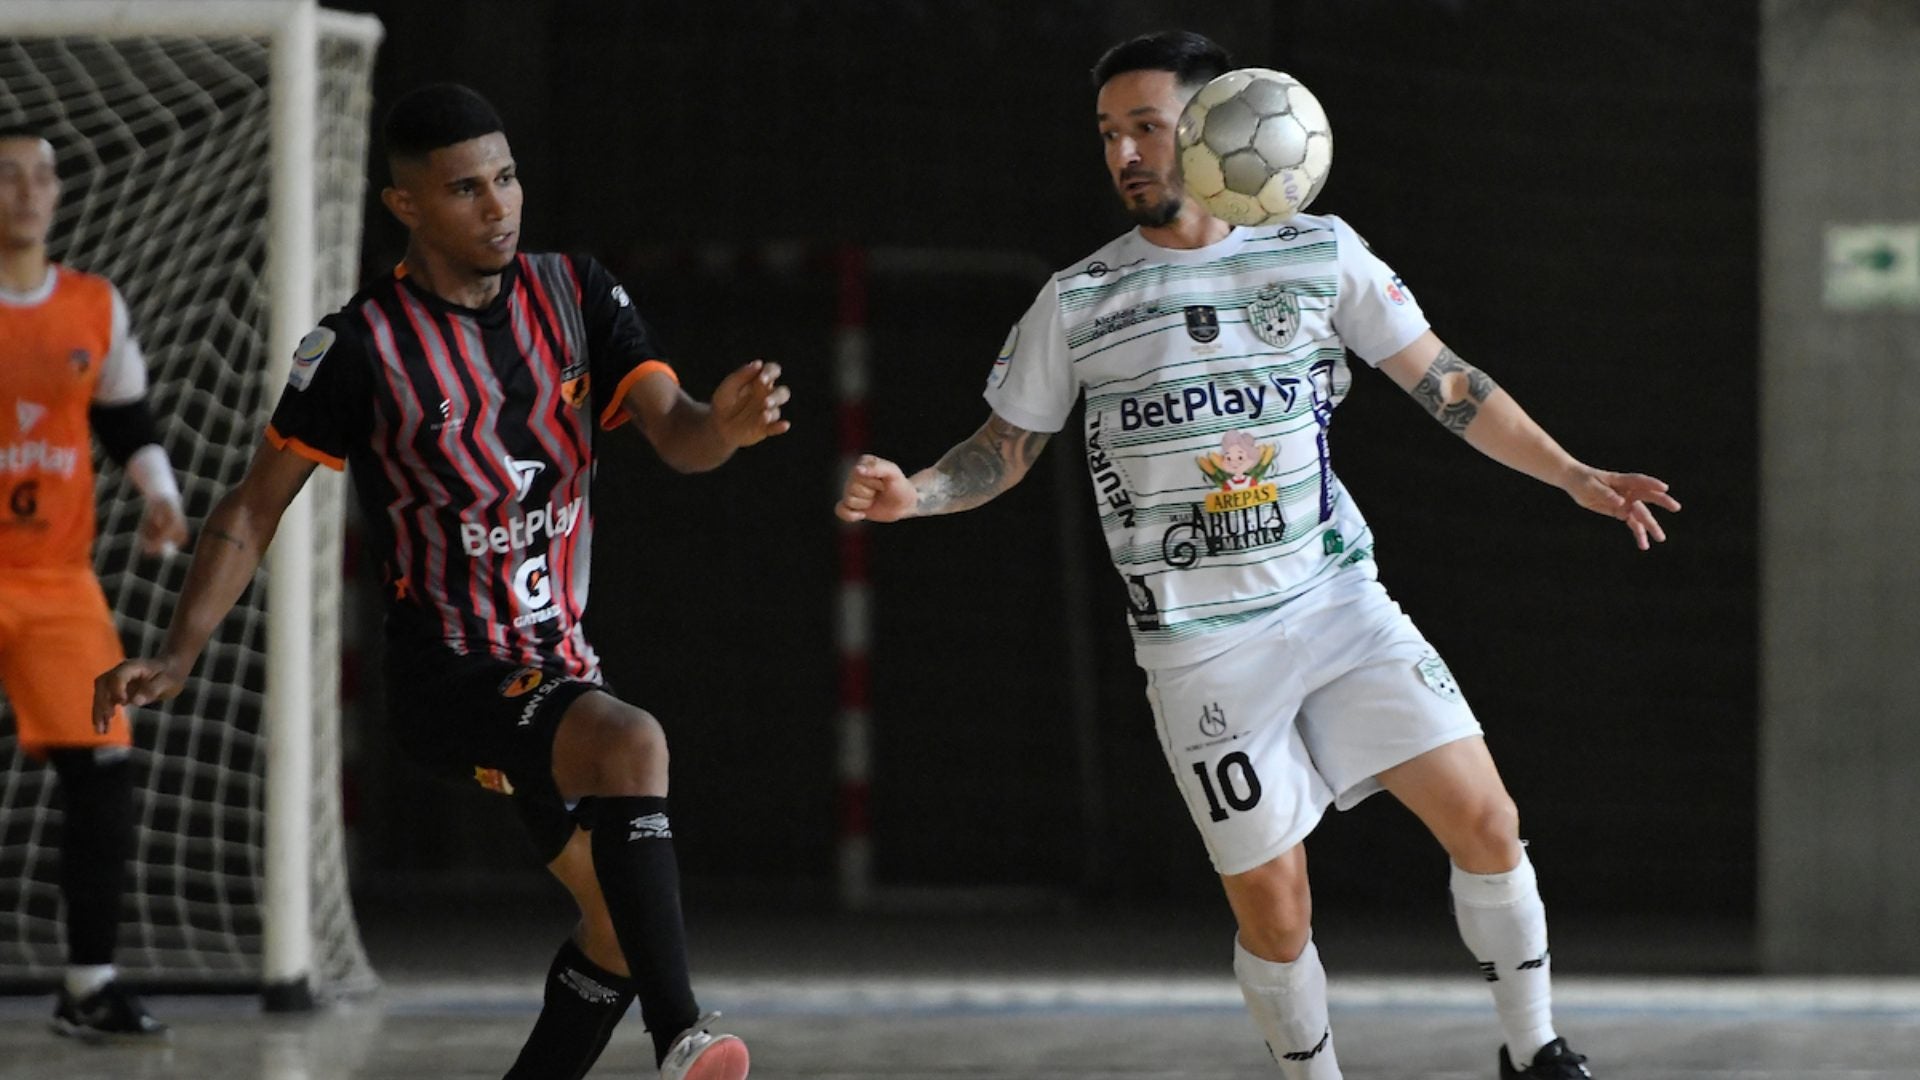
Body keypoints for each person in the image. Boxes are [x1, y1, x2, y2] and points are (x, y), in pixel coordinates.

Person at [835, 30, 1678, 1080]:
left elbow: (1448, 383)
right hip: (1202, 654)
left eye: (1147, 127)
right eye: (1108, 134)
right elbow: (1005, 447)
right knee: (1278, 915)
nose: (1125, 154)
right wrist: (914, 494)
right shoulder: (1081, 300)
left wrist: (1572, 473)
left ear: (1216, 128)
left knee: (1488, 818)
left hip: (1338, 605)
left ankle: (1534, 1050)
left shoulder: (1317, 252)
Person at [94, 85, 780, 1080]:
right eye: (465, 188)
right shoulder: (360, 346)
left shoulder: (575, 294)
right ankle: (680, 1037)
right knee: (635, 743)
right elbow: (251, 510)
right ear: (405, 206)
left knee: (616, 928)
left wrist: (724, 425)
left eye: (505, 177)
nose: (498, 204)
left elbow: (678, 432)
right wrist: (179, 651)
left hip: (559, 668)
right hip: (451, 678)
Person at [0, 126, 188, 1042]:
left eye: (43, 175)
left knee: (105, 765)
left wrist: (158, 492)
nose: (29, 191)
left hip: (54, 578)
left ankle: (88, 983)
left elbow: (126, 416)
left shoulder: (93, 305)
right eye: (8, 175)